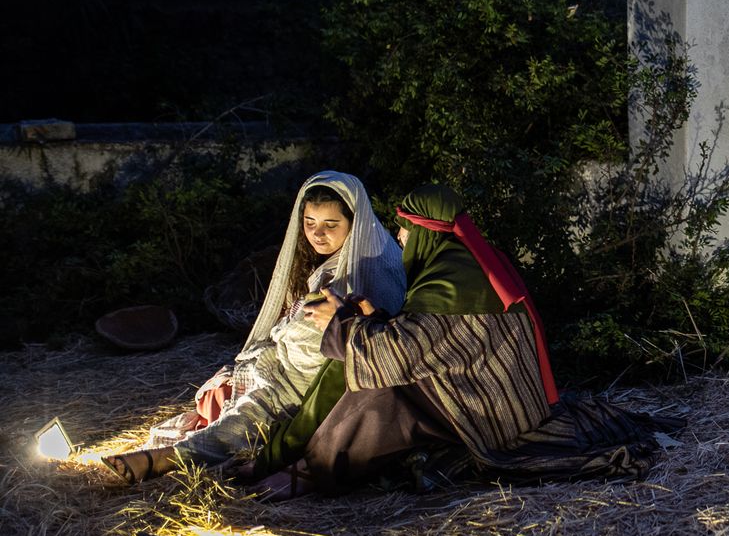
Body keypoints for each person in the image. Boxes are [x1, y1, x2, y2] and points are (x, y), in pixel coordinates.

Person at [257, 184, 676, 498]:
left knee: (377, 394)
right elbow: (426, 341)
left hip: (491, 412)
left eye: (405, 233)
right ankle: (299, 455)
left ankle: (313, 469)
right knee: (367, 367)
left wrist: (341, 323)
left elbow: (397, 356)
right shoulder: (464, 264)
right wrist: (369, 319)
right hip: (486, 391)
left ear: (426, 233)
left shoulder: (448, 283)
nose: (400, 241)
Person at [103, 171, 405, 483]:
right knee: (215, 395)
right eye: (309, 222)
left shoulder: (370, 270)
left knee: (254, 414)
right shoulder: (328, 264)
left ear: (355, 223)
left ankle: (169, 458)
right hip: (285, 365)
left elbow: (343, 344)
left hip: (320, 381)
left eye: (331, 225)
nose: (317, 234)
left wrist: (305, 338)